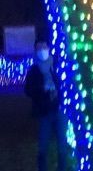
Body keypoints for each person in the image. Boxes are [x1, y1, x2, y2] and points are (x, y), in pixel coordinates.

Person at [24, 40, 70, 171]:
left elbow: (64, 83)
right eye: (39, 48)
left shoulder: (56, 66)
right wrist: (42, 88)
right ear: (36, 51)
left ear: (48, 48)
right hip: (44, 112)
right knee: (43, 148)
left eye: (44, 47)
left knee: (62, 147)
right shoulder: (34, 70)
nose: (42, 50)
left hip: (59, 110)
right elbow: (27, 90)